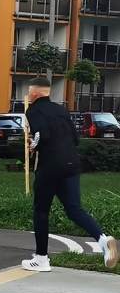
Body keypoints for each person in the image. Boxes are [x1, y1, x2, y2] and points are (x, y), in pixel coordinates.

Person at [22, 76, 117, 271]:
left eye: (30, 91)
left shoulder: (33, 110)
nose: (28, 94)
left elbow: (41, 135)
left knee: (41, 211)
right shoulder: (61, 110)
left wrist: (33, 145)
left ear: (35, 93)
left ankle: (41, 259)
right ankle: (103, 240)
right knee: (74, 209)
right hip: (72, 164)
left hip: (50, 166)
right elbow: (75, 138)